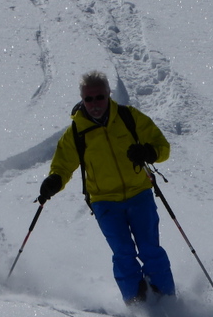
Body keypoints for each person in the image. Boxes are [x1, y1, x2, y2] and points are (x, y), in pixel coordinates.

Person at [38, 70, 176, 305]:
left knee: (150, 249)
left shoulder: (128, 117)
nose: (95, 104)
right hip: (104, 201)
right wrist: (54, 182)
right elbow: (63, 165)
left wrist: (148, 152)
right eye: (89, 99)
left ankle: (167, 302)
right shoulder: (76, 132)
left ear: (108, 94)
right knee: (123, 253)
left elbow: (162, 146)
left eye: (99, 97)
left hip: (139, 194)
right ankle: (137, 304)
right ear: (82, 99)